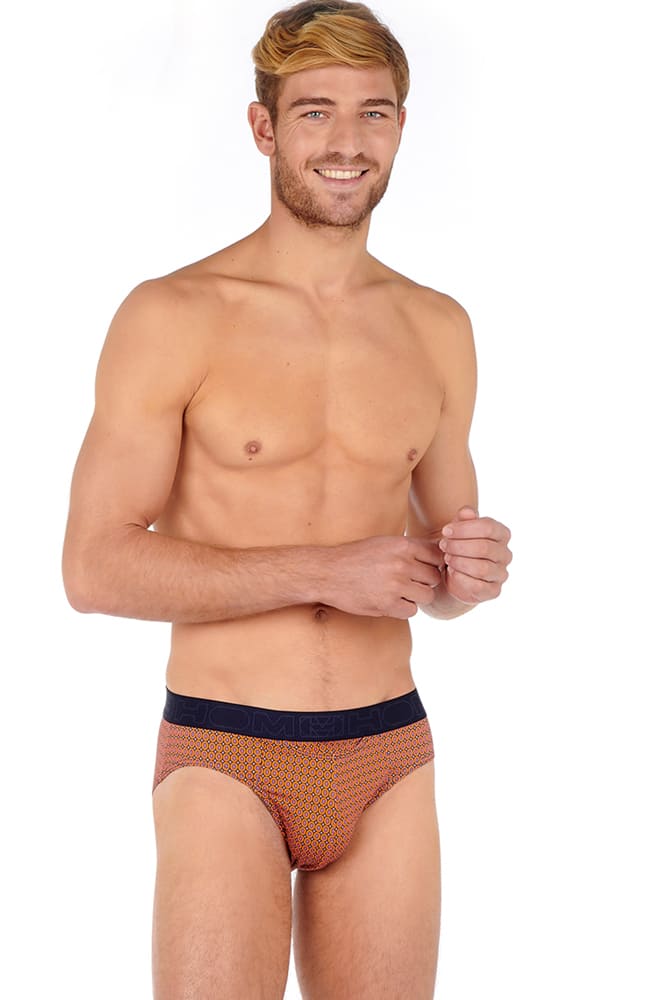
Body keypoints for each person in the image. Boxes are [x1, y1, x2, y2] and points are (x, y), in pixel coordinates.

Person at [62, 2, 512, 997]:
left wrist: (469, 573)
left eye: (373, 113)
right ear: (263, 128)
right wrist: (325, 571)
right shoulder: (173, 315)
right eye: (316, 112)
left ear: (402, 126)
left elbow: (440, 576)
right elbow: (93, 566)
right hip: (227, 750)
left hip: (390, 751)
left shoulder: (438, 328)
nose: (347, 143)